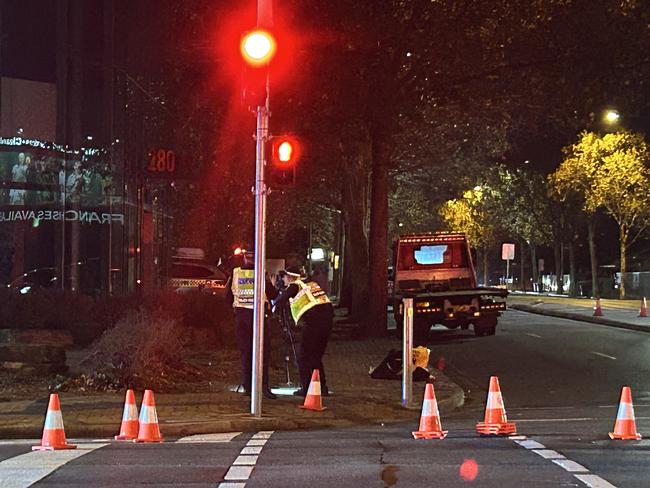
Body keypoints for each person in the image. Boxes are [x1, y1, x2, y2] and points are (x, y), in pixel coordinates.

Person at [271, 265, 334, 396]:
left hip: (314, 322)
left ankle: (306, 388)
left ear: (290, 277)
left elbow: (278, 301)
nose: (282, 280)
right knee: (315, 355)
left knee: (303, 356)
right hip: (327, 320)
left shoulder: (295, 285)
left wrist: (275, 297)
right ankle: (322, 387)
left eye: (283, 277)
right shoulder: (311, 284)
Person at [225, 251, 277, 399]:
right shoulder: (261, 274)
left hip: (242, 318)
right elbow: (273, 294)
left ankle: (247, 387)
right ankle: (263, 387)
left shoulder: (235, 274)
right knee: (262, 354)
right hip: (260, 318)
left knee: (246, 353)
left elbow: (228, 297)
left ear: (244, 259)